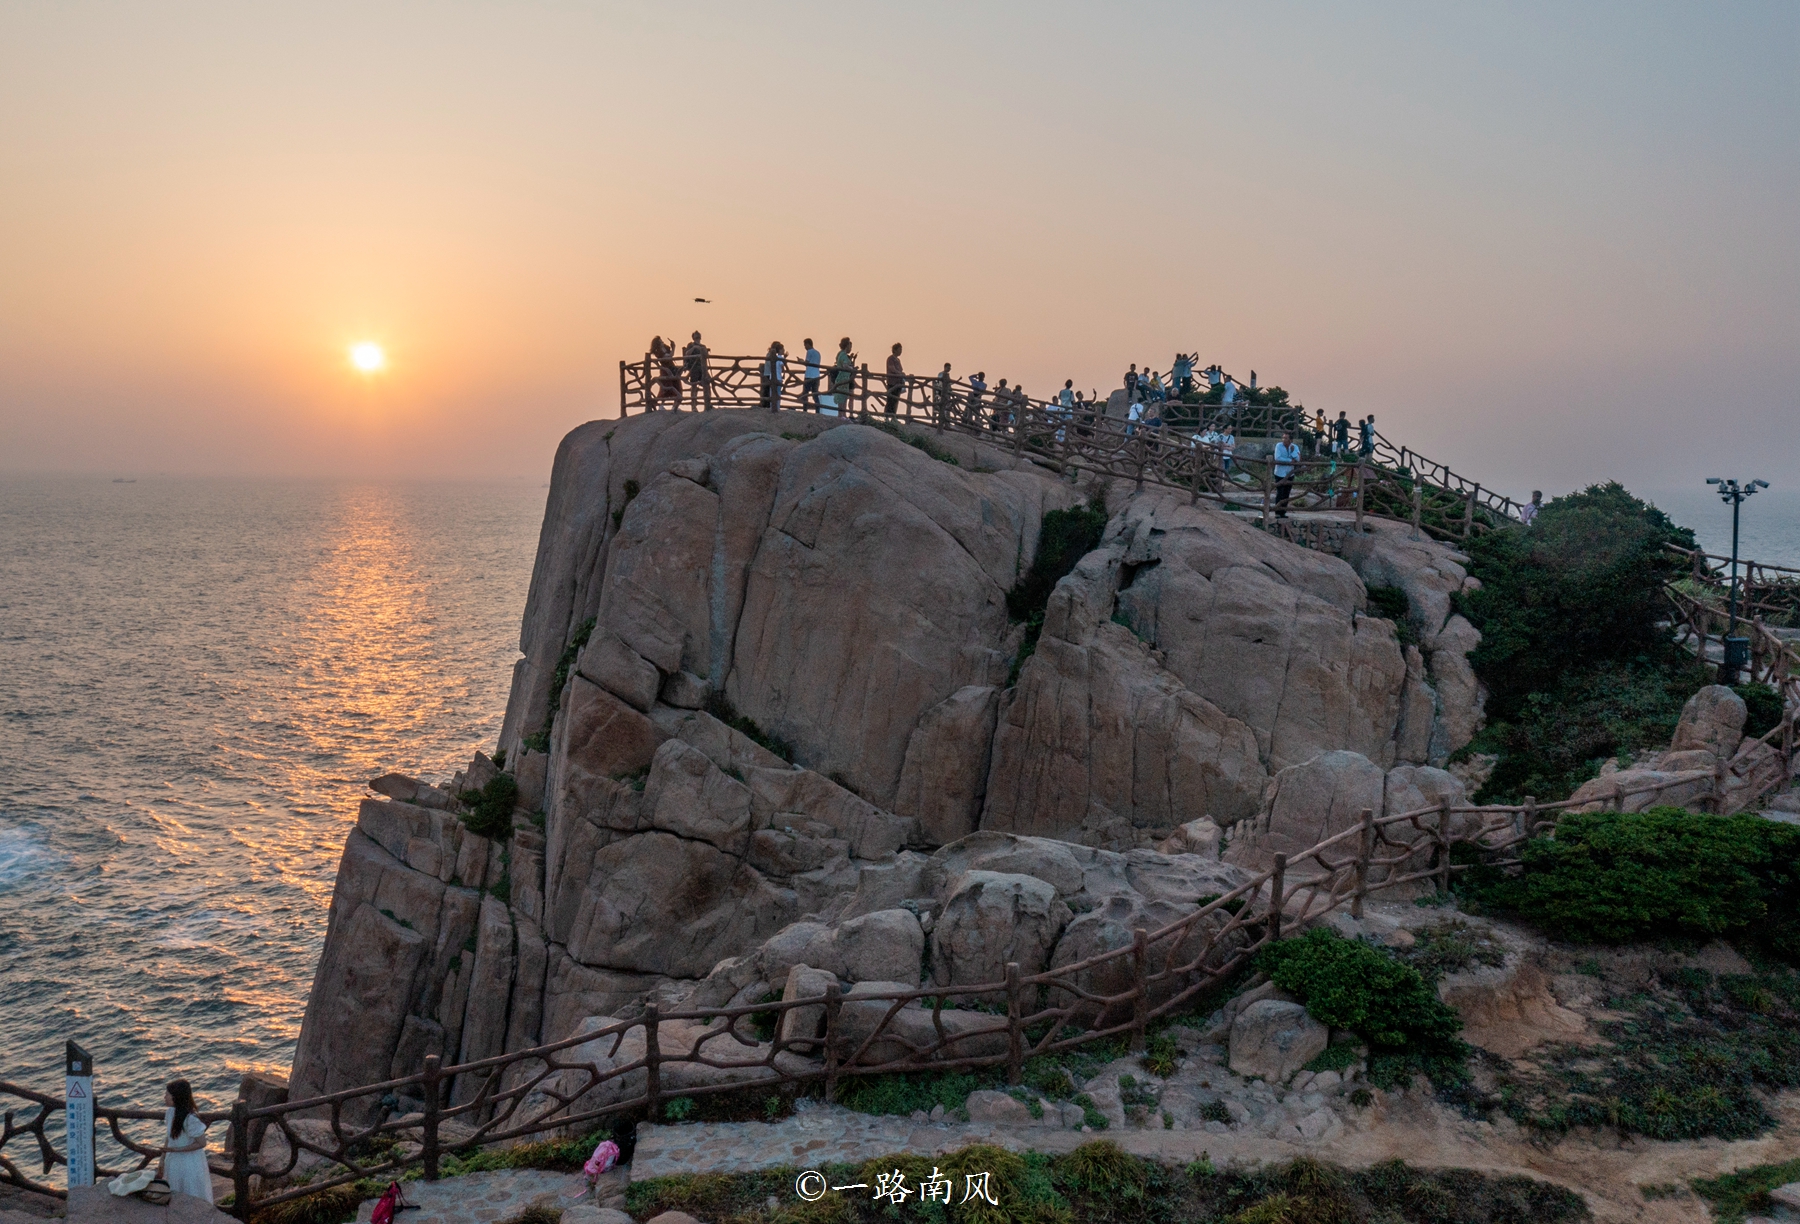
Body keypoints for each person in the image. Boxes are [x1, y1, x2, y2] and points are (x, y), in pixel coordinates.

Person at [159, 1079, 211, 1203]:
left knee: (191, 1194)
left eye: (167, 1094)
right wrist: (162, 1157)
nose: (164, 1097)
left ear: (176, 1097)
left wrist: (176, 1149)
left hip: (190, 1162)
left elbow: (202, 1143)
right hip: (174, 1159)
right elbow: (169, 1135)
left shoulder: (190, 1119)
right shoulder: (170, 1112)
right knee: (176, 1192)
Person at [1273, 430, 1300, 518]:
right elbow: (1278, 458)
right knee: (1279, 493)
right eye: (1283, 438)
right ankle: (1277, 512)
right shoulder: (1279, 446)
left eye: (1286, 438)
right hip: (1280, 473)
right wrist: (1289, 461)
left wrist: (1292, 452)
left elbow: (1298, 458)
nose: (1284, 440)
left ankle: (1283, 512)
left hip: (1289, 474)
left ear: (1290, 440)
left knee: (1286, 494)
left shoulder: (1294, 447)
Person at [682, 332, 711, 411]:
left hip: (702, 369)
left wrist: (701, 349)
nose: (697, 337)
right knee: (694, 386)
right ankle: (693, 406)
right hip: (694, 368)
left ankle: (708, 404)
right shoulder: (690, 345)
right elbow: (687, 354)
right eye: (696, 336)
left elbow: (706, 354)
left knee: (707, 384)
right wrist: (694, 348)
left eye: (698, 336)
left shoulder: (703, 346)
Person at [651, 336, 680, 407]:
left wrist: (672, 347)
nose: (662, 341)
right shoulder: (658, 351)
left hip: (671, 367)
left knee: (676, 385)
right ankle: (661, 404)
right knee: (666, 386)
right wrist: (673, 348)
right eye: (660, 341)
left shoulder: (665, 348)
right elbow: (669, 356)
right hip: (665, 369)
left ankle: (675, 406)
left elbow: (670, 355)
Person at [829, 337, 856, 415]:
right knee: (843, 397)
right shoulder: (843, 355)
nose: (850, 348)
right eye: (850, 346)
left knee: (842, 396)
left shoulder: (839, 353)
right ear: (847, 346)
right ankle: (842, 415)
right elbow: (845, 365)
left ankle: (841, 415)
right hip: (843, 377)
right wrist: (852, 369)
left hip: (841, 377)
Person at [761, 341, 786, 412]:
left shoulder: (772, 355)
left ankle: (769, 405)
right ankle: (771, 406)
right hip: (770, 374)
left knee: (769, 391)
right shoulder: (773, 356)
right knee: (771, 391)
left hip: (770, 374)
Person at [800, 339, 822, 409]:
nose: (804, 347)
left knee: (805, 393)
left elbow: (807, 363)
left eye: (805, 345)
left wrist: (801, 361)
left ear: (808, 344)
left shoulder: (809, 352)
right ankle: (818, 409)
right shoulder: (818, 353)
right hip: (816, 375)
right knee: (815, 393)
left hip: (809, 375)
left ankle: (805, 408)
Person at [884, 343, 904, 415]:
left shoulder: (898, 360)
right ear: (895, 350)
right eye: (899, 349)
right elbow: (892, 369)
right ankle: (887, 416)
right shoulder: (890, 359)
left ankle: (893, 416)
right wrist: (899, 373)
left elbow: (900, 369)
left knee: (896, 400)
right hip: (892, 382)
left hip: (898, 383)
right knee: (890, 400)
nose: (901, 351)